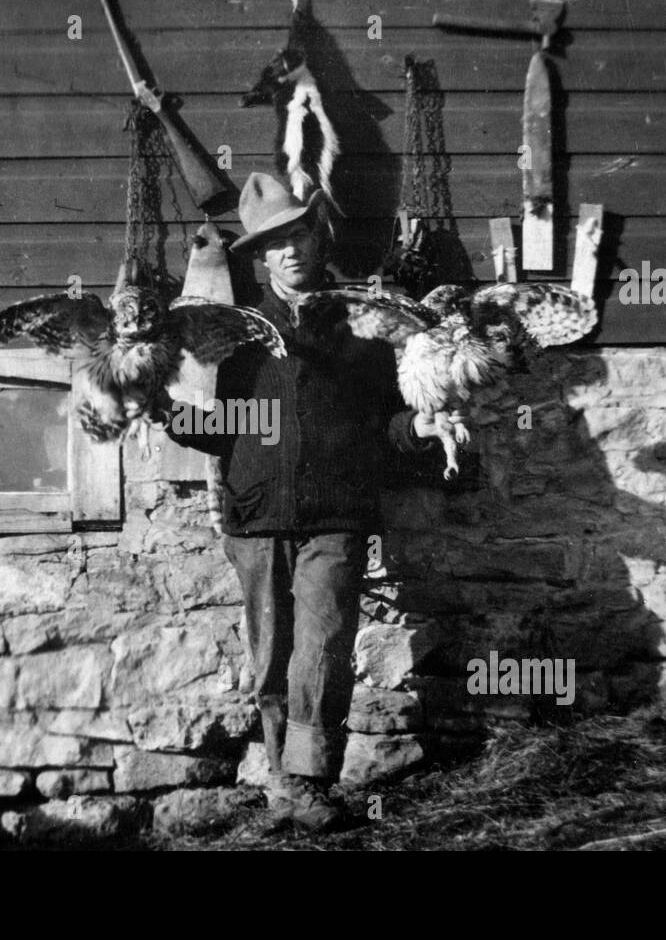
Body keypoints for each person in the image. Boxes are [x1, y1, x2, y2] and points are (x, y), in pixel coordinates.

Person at [153, 172, 447, 831]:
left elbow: (387, 423)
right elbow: (211, 425)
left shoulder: (360, 323)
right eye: (275, 244)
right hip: (255, 514)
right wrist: (160, 405)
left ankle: (312, 779)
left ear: (317, 237)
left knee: (324, 644)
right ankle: (283, 780)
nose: (290, 251)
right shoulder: (229, 330)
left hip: (337, 514)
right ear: (259, 257)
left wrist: (421, 429)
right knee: (272, 651)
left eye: (299, 235)